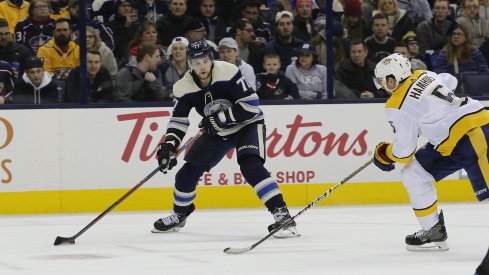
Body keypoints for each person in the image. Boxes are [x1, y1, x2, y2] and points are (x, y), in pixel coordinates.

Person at [152, 39, 299, 238]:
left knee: (251, 166)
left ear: (211, 59)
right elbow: (178, 121)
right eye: (196, 62)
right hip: (218, 132)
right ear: (189, 64)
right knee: (186, 174)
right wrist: (168, 145)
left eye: (204, 61)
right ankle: (179, 214)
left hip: (248, 124)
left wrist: (220, 118)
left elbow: (251, 105)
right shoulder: (183, 87)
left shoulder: (228, 71)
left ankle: (282, 216)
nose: (201, 66)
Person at [373, 53, 489, 251]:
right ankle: (433, 230)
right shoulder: (423, 74)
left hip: (473, 136)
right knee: (414, 174)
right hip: (454, 139)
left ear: (392, 80)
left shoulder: (396, 104)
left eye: (383, 81)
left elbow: (403, 153)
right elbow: (449, 81)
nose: (383, 85)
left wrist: (384, 154)